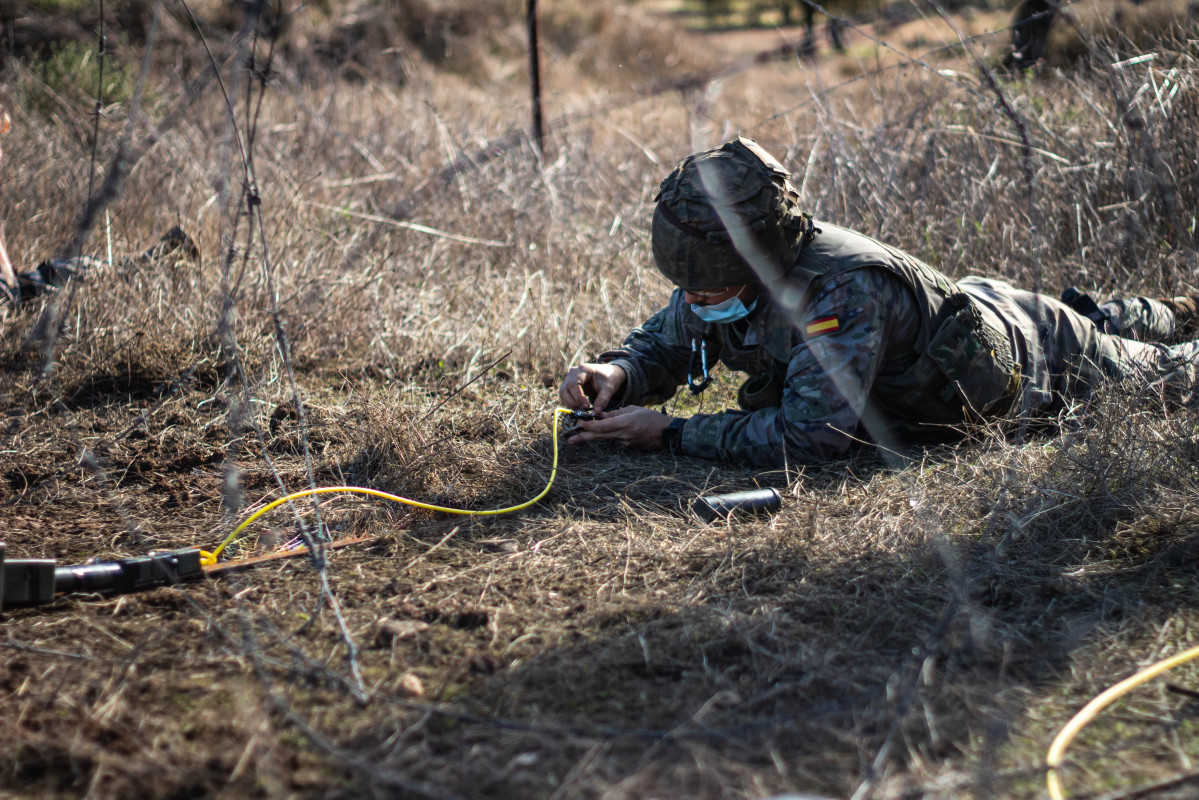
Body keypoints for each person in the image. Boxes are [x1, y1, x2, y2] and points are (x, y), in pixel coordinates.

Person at [558, 136, 1199, 468]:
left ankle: (1172, 317)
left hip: (1040, 364)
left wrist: (671, 433)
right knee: (1112, 318)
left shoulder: (842, 293)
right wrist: (619, 372)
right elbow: (672, 336)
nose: (694, 298)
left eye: (707, 286)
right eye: (688, 284)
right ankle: (1170, 307)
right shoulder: (723, 275)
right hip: (980, 306)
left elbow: (811, 439)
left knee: (1171, 375)